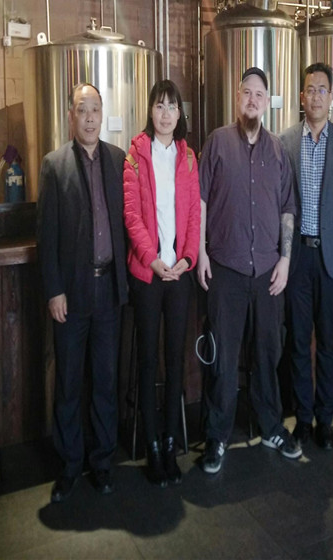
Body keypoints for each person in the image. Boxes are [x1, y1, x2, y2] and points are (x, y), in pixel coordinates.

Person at [197, 67, 300, 474]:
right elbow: (200, 202)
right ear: (237, 98)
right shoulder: (217, 143)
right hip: (226, 268)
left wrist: (286, 260)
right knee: (223, 358)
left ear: (267, 102)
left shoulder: (278, 151)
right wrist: (200, 252)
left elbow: (288, 209)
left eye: (259, 94)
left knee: (268, 353)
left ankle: (272, 427)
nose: (252, 99)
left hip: (269, 272)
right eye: (247, 92)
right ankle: (217, 437)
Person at [37, 82, 127, 502]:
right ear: (70, 116)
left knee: (106, 381)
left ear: (102, 114)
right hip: (71, 294)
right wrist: (54, 290)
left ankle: (103, 462)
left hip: (109, 288)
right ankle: (70, 465)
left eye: (95, 110)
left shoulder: (119, 160)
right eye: (82, 110)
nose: (89, 118)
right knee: (70, 383)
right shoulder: (54, 165)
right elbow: (46, 235)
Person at [280, 62, 333, 451]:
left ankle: (325, 420)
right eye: (310, 90)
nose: (315, 96)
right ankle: (303, 418)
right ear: (302, 97)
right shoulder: (285, 141)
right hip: (297, 257)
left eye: (322, 90)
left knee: (326, 341)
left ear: (331, 97)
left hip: (330, 260)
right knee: (298, 341)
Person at [123, 80, 200, 487]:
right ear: (150, 111)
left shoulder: (188, 157)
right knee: (148, 361)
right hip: (148, 276)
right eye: (159, 105)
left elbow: (193, 216)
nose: (166, 113)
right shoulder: (136, 155)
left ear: (179, 113)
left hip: (180, 275)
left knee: (175, 361)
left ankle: (170, 443)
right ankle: (152, 445)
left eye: (172, 106)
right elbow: (132, 215)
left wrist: (187, 258)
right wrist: (152, 260)